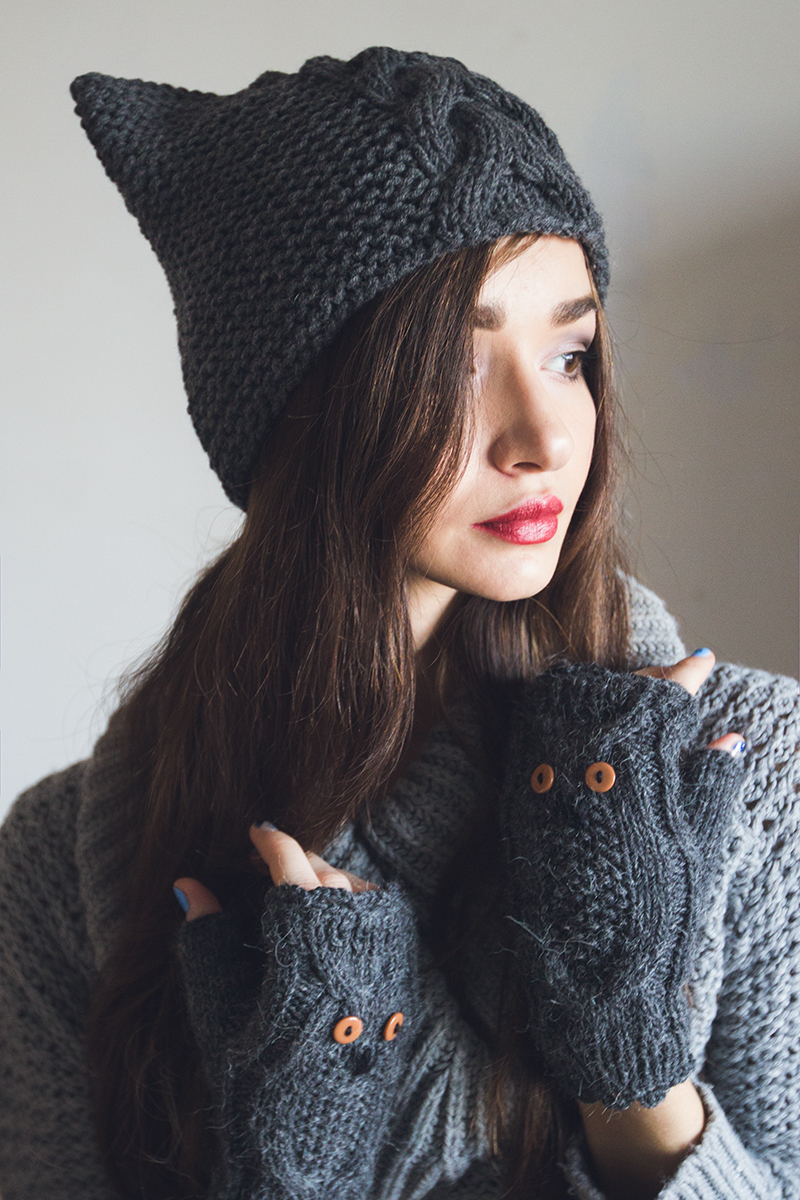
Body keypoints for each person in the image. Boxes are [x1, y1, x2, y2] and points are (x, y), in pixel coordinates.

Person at [0, 45, 797, 1200]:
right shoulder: (55, 866)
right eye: (462, 369)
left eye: (569, 353)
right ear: (309, 410)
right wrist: (293, 1165)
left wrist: (625, 1047)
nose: (545, 435)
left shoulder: (746, 769)